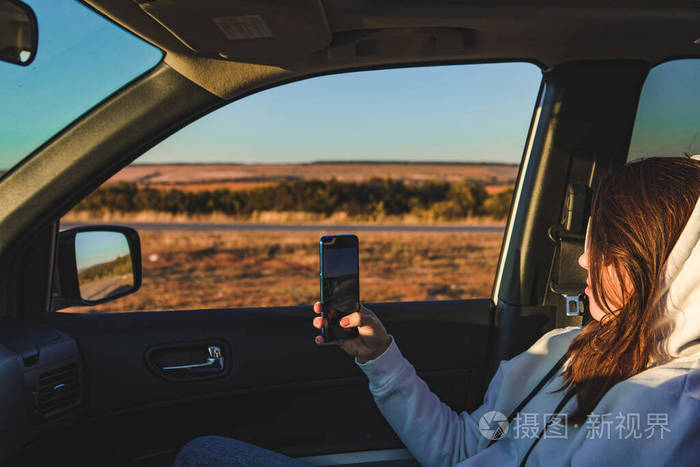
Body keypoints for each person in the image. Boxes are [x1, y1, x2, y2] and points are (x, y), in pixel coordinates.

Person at [175, 156, 700, 466]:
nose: (584, 257)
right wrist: (381, 359)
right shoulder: (567, 349)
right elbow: (464, 449)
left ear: (666, 265)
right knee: (204, 452)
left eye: (603, 244)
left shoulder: (674, 407)